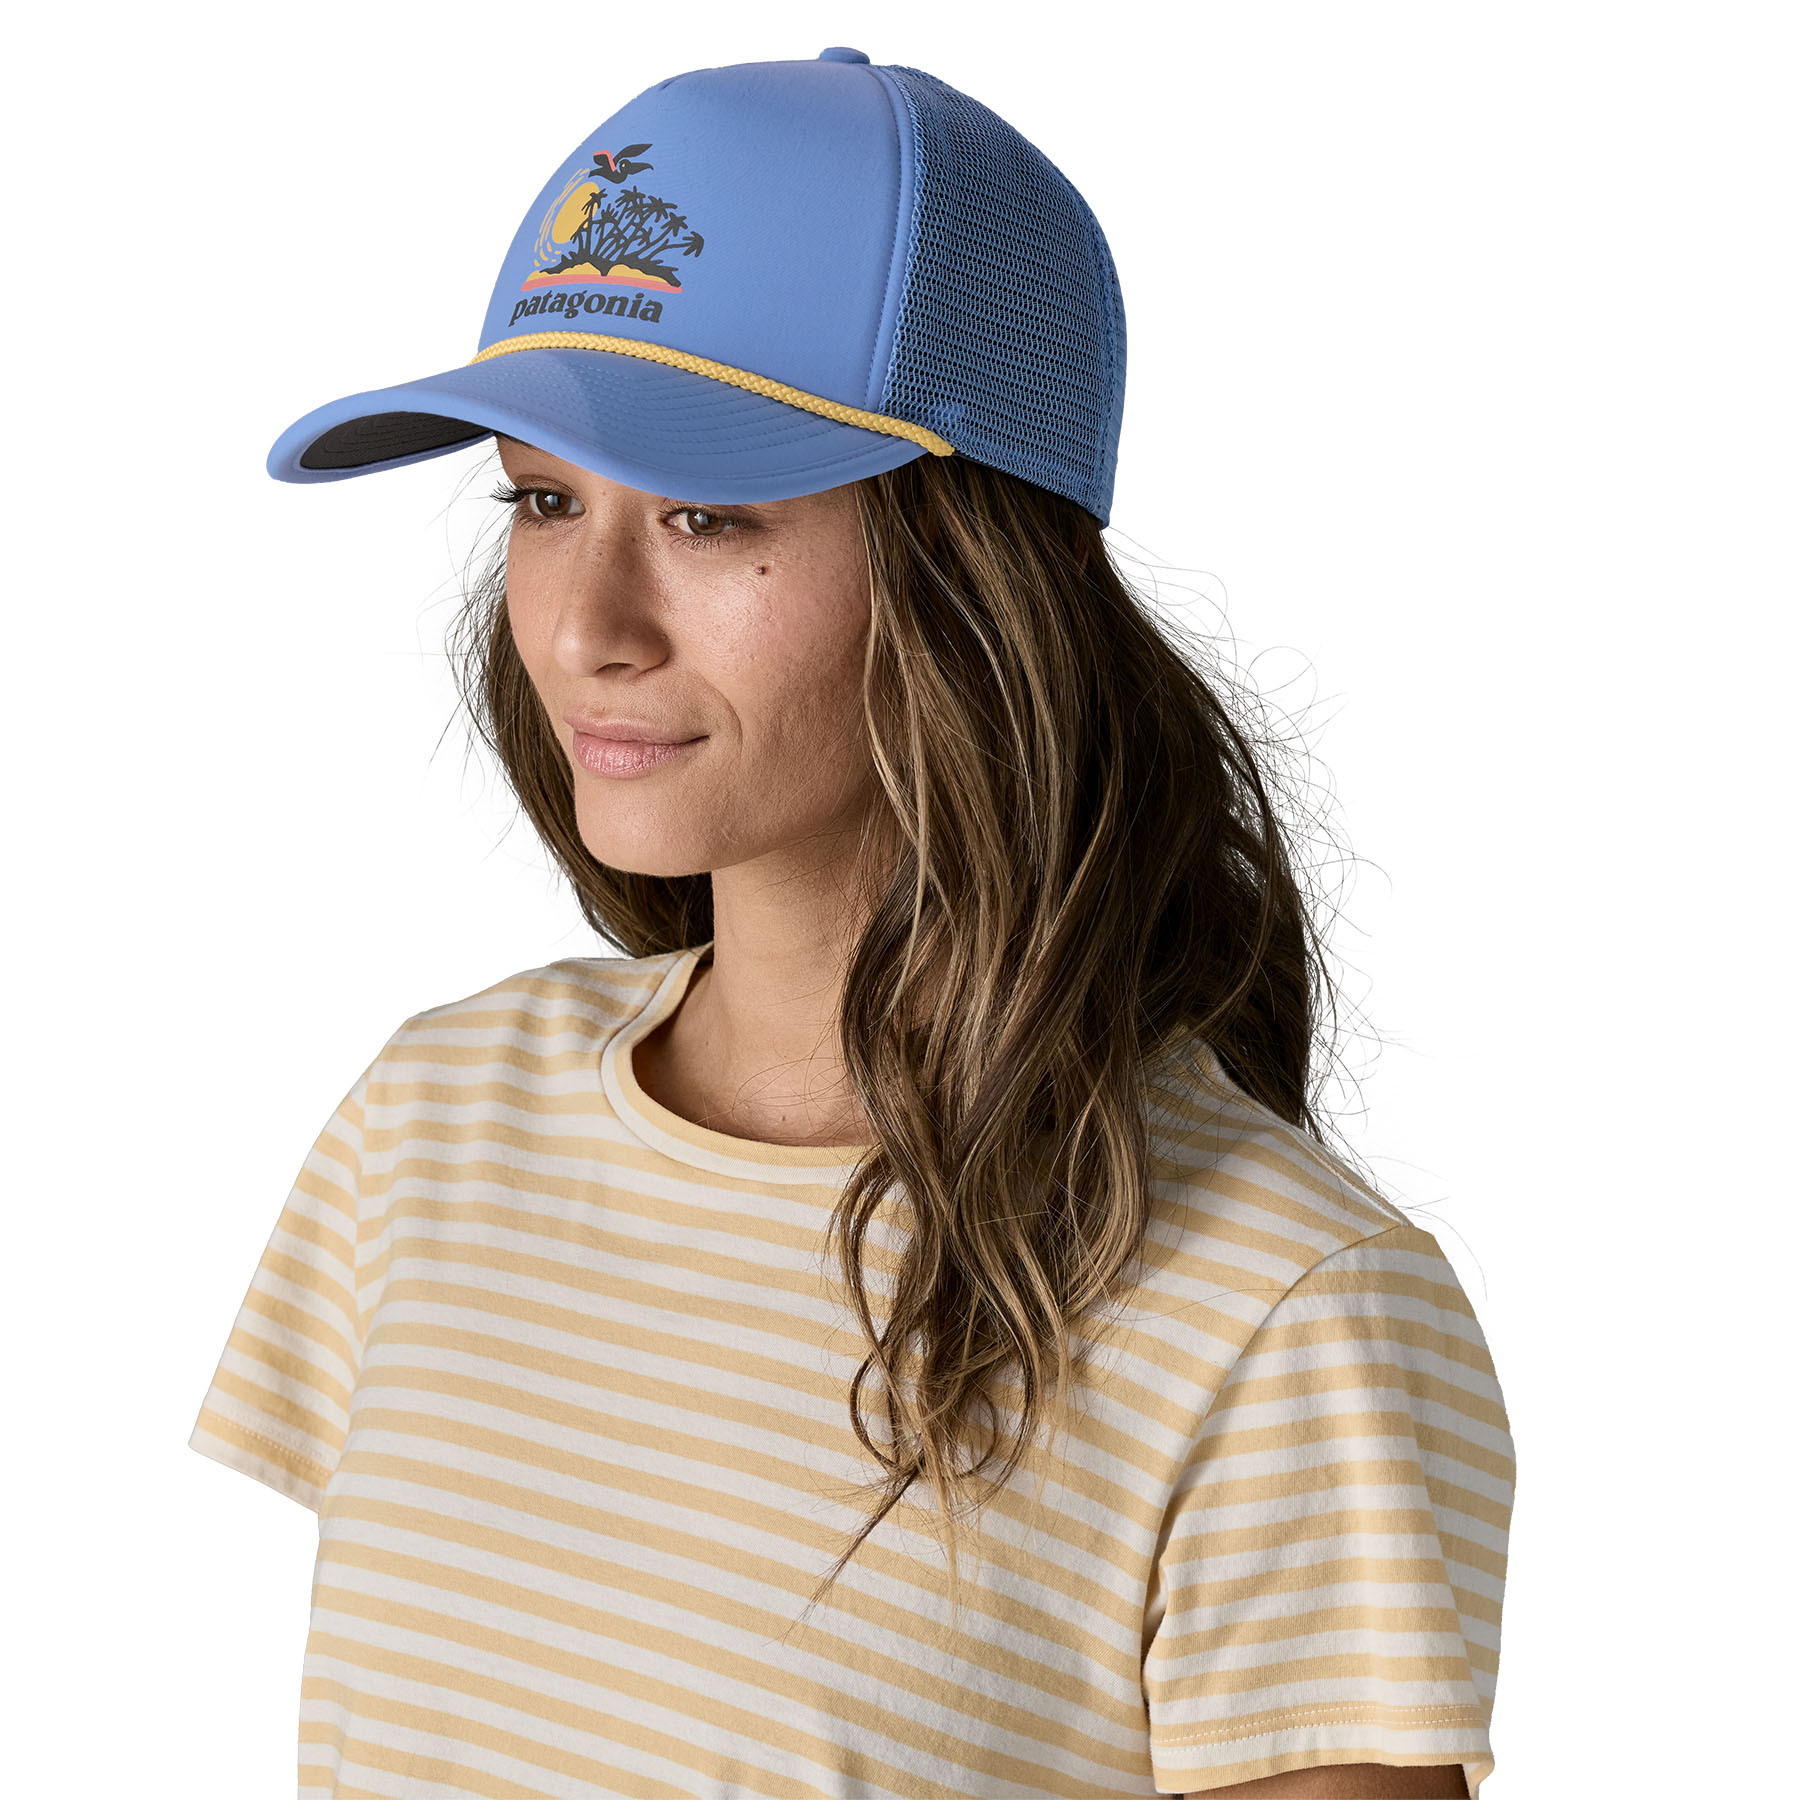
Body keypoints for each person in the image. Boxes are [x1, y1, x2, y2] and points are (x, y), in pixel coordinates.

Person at [187, 47, 1514, 1800]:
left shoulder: (1282, 1313)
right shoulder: (432, 1128)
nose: (585, 626)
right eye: (544, 499)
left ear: (991, 570)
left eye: (708, 512)